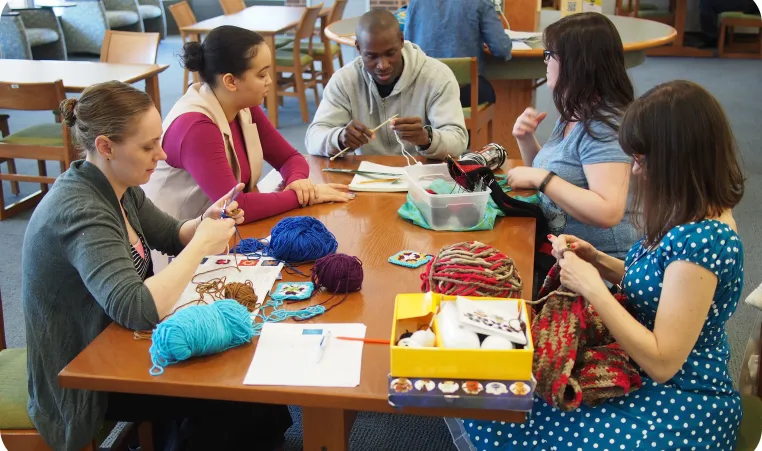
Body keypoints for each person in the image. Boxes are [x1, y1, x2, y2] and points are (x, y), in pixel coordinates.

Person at [458, 79, 746, 451]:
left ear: (678, 159)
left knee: (501, 413)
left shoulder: (705, 241)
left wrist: (592, 286)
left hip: (680, 400)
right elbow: (663, 286)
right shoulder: (692, 212)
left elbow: (662, 362)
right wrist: (600, 260)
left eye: (642, 160)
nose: (638, 171)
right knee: (500, 395)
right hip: (643, 371)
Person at [21, 81, 293, 451]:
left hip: (115, 342)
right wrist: (202, 245)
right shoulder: (80, 210)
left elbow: (171, 233)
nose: (163, 155)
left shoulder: (118, 184)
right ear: (105, 146)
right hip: (82, 375)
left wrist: (205, 221)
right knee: (230, 388)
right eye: (149, 146)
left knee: (244, 363)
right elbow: (137, 309)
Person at [144, 25, 353, 228]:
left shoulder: (241, 106)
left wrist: (298, 183)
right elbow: (235, 206)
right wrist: (301, 197)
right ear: (231, 82)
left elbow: (290, 158)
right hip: (174, 250)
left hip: (217, 232)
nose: (270, 81)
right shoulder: (196, 127)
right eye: (261, 75)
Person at [506, 12, 637, 260]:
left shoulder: (604, 125)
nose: (545, 61)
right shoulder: (576, 111)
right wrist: (526, 140)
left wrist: (541, 177)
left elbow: (608, 211)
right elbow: (560, 179)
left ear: (576, 63)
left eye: (550, 55)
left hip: (604, 266)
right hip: (567, 256)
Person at [305, 9, 468, 160]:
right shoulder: (345, 81)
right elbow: (313, 138)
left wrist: (427, 138)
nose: (382, 65)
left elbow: (458, 141)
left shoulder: (437, 76)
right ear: (359, 49)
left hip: (422, 177)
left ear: (401, 42)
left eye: (390, 53)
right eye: (371, 56)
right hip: (366, 178)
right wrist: (339, 138)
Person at [403, 0, 512, 107]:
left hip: (425, 92)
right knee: (486, 91)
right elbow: (502, 49)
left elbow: (407, 47)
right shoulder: (480, 2)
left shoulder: (415, 3)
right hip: (464, 92)